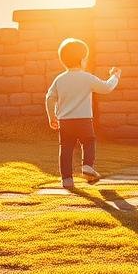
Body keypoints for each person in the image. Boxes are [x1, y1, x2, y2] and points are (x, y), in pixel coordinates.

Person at [45, 38, 121, 189]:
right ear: (81, 60)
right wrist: (115, 76)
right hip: (84, 120)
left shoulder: (60, 79)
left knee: (66, 149)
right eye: (86, 58)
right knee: (88, 142)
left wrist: (51, 116)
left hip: (65, 121)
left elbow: (49, 98)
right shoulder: (87, 77)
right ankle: (87, 165)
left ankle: (67, 179)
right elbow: (106, 88)